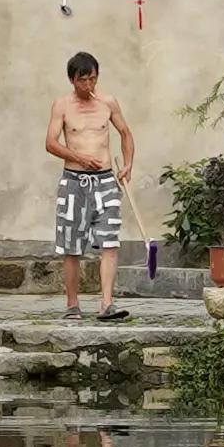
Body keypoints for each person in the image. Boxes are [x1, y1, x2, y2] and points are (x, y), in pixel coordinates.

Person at [44, 49, 136, 318]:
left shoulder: (108, 102)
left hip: (106, 180)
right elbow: (50, 143)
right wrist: (79, 158)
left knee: (109, 243)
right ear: (72, 80)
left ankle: (107, 303)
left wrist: (128, 164)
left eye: (93, 79)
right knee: (71, 246)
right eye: (83, 80)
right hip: (74, 182)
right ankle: (73, 305)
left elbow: (126, 134)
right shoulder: (62, 105)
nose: (89, 86)